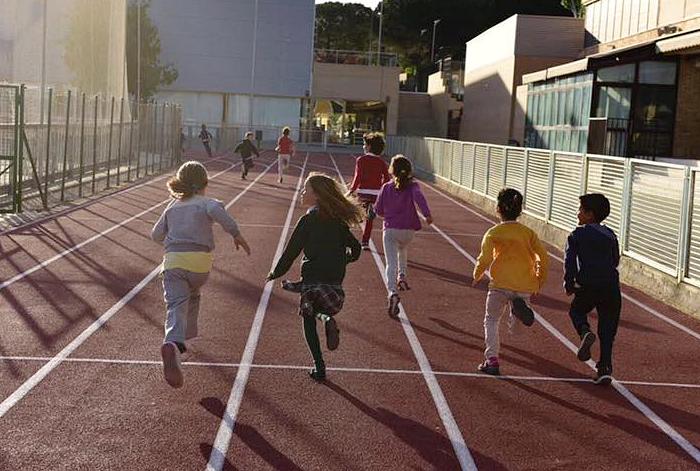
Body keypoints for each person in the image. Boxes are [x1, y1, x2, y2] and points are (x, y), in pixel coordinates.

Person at [151, 161, 251, 388]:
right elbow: (219, 214)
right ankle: (183, 342)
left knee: (176, 304)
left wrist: (172, 241)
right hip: (200, 265)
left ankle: (174, 342)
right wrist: (236, 234)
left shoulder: (171, 206)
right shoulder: (208, 203)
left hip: (174, 262)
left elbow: (156, 235)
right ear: (205, 183)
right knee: (193, 295)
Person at [267, 173, 363, 381]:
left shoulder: (308, 220)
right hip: (335, 275)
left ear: (317, 195)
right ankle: (327, 318)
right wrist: (347, 260)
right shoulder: (339, 222)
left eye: (306, 189)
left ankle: (319, 367)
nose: (301, 193)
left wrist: (276, 272)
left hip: (312, 275)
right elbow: (355, 247)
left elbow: (291, 252)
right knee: (321, 308)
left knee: (308, 318)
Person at [472, 188, 548, 376]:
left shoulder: (493, 233)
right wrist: (539, 280)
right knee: (516, 330)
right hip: (524, 284)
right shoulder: (528, 233)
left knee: (491, 320)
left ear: (498, 208)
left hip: (499, 284)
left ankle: (492, 359)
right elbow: (543, 257)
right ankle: (517, 313)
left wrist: (477, 274)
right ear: (520, 210)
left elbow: (485, 257)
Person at [564, 193, 621, 386]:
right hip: (611, 286)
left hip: (588, 284)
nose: (577, 213)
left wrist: (569, 284)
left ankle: (584, 331)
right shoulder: (611, 235)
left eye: (580, 210)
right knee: (607, 328)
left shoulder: (576, 234)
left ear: (589, 214)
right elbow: (615, 260)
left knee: (576, 311)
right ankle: (604, 368)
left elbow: (569, 261)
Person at [374, 155, 433, 317]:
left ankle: (392, 291)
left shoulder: (386, 187)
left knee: (390, 262)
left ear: (392, 170)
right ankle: (402, 275)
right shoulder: (413, 186)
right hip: (408, 230)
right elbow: (419, 198)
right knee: (403, 249)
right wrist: (427, 215)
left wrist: (383, 213)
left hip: (391, 229)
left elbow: (378, 210)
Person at [347, 133, 390, 250]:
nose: (363, 146)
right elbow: (387, 179)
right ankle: (365, 242)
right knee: (369, 219)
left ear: (369, 146)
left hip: (363, 193)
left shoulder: (361, 160)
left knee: (352, 214)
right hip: (376, 195)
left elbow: (358, 177)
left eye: (364, 144)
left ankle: (346, 238)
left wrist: (351, 190)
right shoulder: (381, 162)